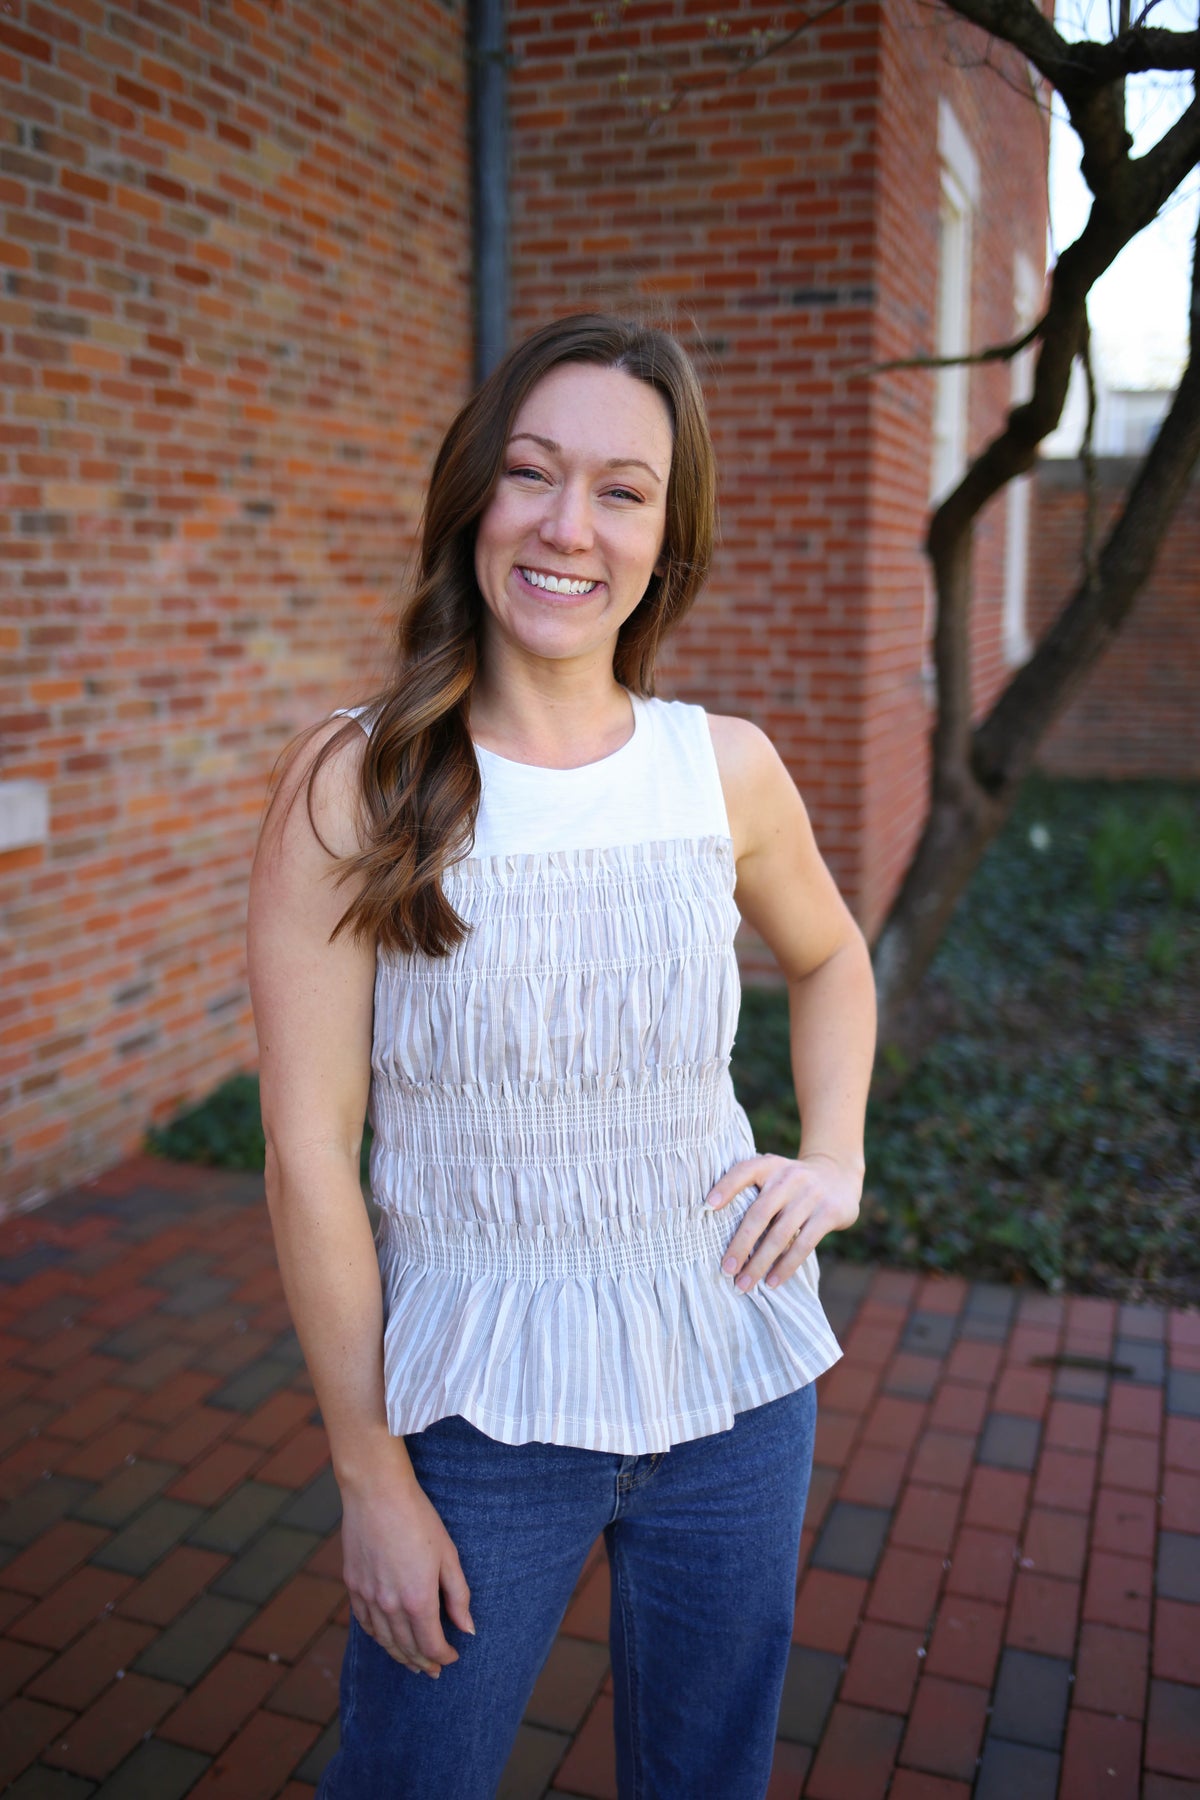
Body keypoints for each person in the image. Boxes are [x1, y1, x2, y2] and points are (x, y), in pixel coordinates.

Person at [247, 312, 876, 1800]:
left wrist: (836, 1156)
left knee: (707, 1777)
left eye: (622, 489)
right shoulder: (363, 783)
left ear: (669, 533)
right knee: (417, 1778)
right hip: (476, 1409)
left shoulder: (720, 765)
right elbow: (305, 1158)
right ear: (475, 495)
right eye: (533, 473)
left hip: (731, 1370)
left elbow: (833, 957)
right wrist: (370, 1479)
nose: (567, 525)